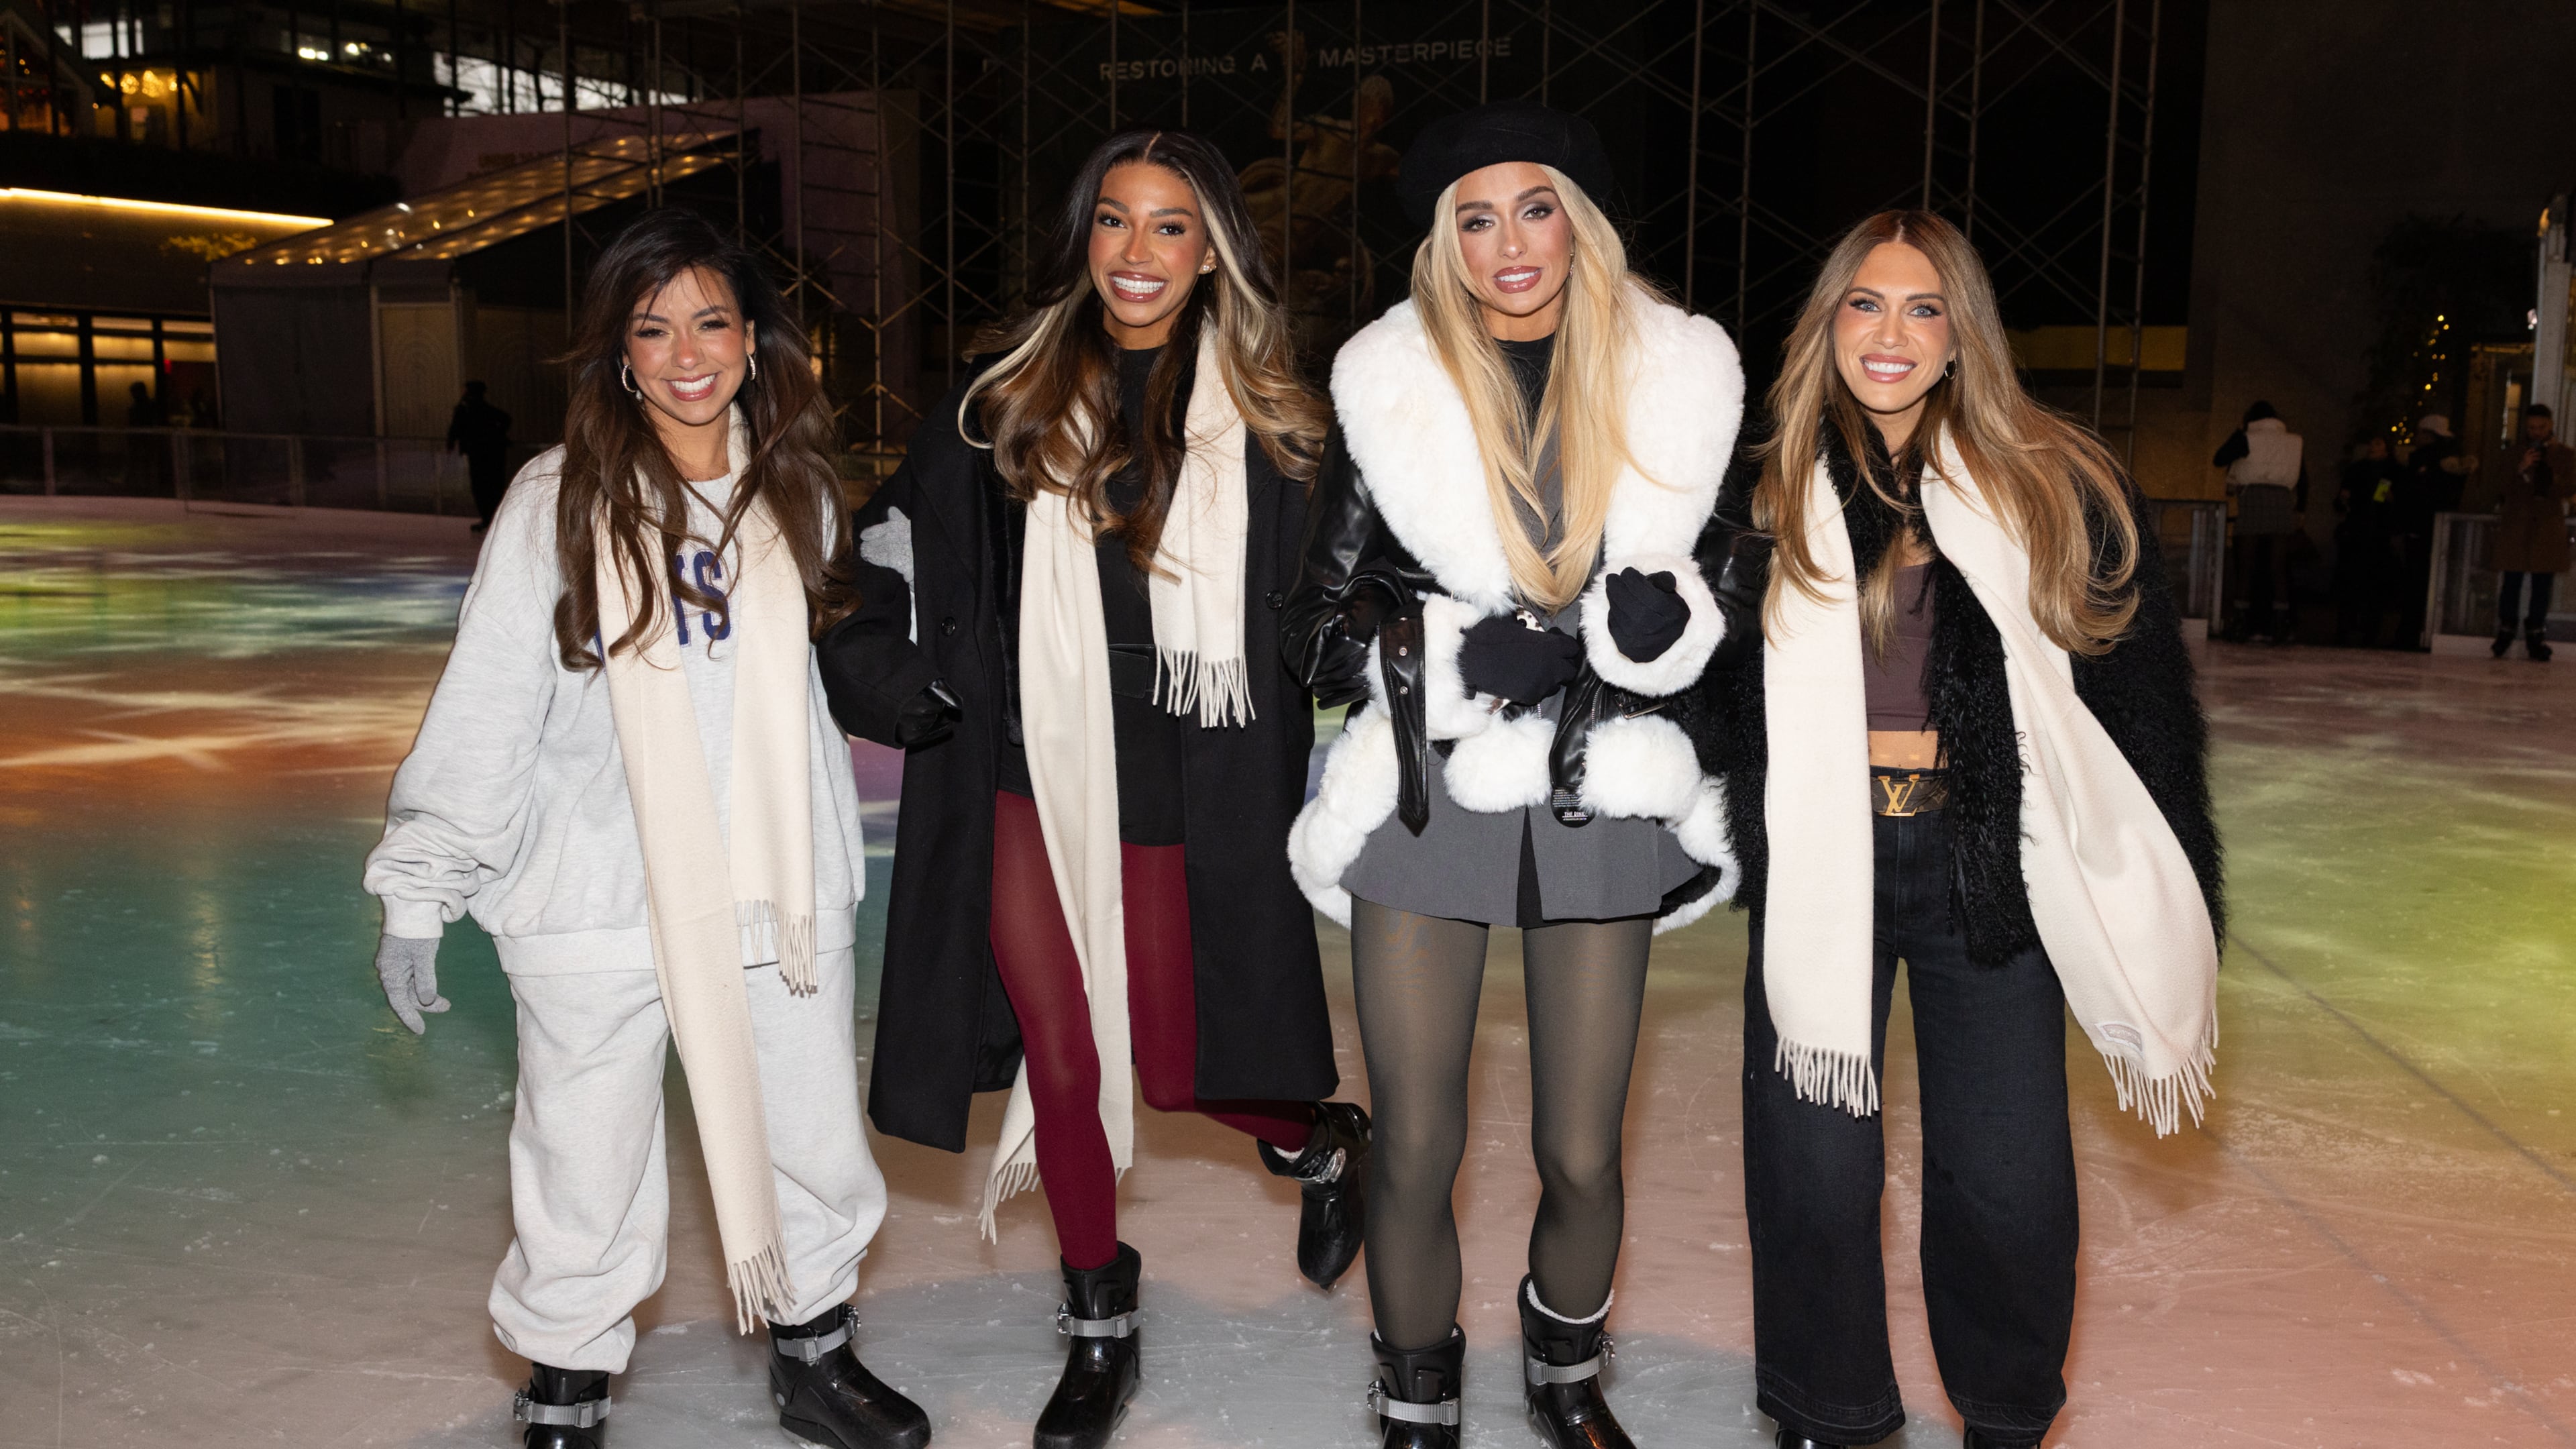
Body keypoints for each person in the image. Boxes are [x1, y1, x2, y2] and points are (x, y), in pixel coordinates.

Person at [814, 129, 1368, 1449]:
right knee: (1067, 1057)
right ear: (1084, 239)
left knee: (1175, 1063)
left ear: (1212, 250)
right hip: (1024, 770)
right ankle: (1097, 1313)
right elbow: (880, 550)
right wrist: (889, 670)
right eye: (1114, 221)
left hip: (1192, 773)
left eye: (1170, 226)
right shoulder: (998, 403)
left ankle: (1315, 1138)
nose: (1136, 252)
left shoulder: (1281, 429)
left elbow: (1334, 605)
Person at [363, 209, 930, 1449]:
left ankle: (814, 1357)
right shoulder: (554, 501)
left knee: (809, 1140)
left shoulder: (799, 494)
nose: (686, 352)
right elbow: (490, 704)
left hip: (775, 895)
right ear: (619, 352)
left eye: (711, 321)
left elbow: (857, 655)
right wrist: (422, 883)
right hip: (596, 892)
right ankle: (566, 1389)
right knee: (582, 1158)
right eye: (652, 327)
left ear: (753, 339)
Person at [1686, 211, 2222, 1449]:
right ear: (1829, 321)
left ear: (1960, 333)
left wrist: (2174, 884)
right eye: (1865, 303)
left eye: (1923, 308)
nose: (1891, 333)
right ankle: (1828, 1412)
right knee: (1815, 1171)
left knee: (2009, 1177)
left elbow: (2141, 703)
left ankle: (2004, 1414)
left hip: (1992, 858)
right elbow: (1716, 700)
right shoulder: (1759, 483)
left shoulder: (2053, 476)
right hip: (1825, 859)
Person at [1283, 101, 1744, 1449]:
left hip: (1603, 785)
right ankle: (1415, 1390)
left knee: (1582, 1151)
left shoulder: (1681, 384)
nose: (1506, 244)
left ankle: (1563, 1374)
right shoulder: (1389, 390)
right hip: (1429, 795)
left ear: (1580, 220)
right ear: (1445, 243)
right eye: (1472, 218)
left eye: (1532, 207)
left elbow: (1734, 591)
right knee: (1418, 1145)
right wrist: (1439, 647)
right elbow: (1310, 631)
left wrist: (1662, 632)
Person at [2212, 400, 2306, 642]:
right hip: (2282, 499)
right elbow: (2302, 476)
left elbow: (2220, 459)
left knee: (2246, 563)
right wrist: (2301, 508)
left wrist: (2238, 431)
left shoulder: (2247, 438)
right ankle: (2281, 623)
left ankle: (2241, 620)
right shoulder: (2293, 442)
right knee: (2278, 566)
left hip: (2253, 497)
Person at [2489, 404, 2575, 661]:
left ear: (2550, 426)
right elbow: (2502, 486)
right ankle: (2506, 630)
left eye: (2541, 427)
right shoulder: (2514, 453)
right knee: (2512, 581)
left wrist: (2549, 475)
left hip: (2546, 526)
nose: (2536, 433)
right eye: (2532, 428)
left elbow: (2568, 487)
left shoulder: (2566, 455)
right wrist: (2521, 468)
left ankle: (2535, 634)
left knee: (2542, 584)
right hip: (2518, 525)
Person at [2392, 413, 2469, 649]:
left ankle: (2411, 633)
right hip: (2434, 527)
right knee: (2429, 580)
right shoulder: (2450, 462)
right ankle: (2424, 631)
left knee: (2416, 580)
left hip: (2419, 525)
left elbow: (2405, 491)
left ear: (2428, 435)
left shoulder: (2421, 461)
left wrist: (2392, 506)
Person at [2332, 435, 2405, 646]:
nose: (2372, 447)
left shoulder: (2392, 471)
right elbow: (2342, 500)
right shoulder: (2357, 470)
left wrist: (2390, 500)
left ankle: (2368, 629)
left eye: (2378, 444)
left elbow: (2389, 501)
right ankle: (2347, 627)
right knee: (2352, 583)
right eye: (2371, 443)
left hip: (2378, 535)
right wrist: (2343, 500)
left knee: (2373, 585)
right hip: (2357, 532)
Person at [449, 380, 517, 532]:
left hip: (478, 454)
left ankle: (488, 519)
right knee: (495, 486)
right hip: (494, 453)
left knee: (481, 487)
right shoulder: (486, 410)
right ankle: (493, 519)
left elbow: (455, 427)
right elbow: (505, 418)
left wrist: (452, 443)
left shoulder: (466, 409)